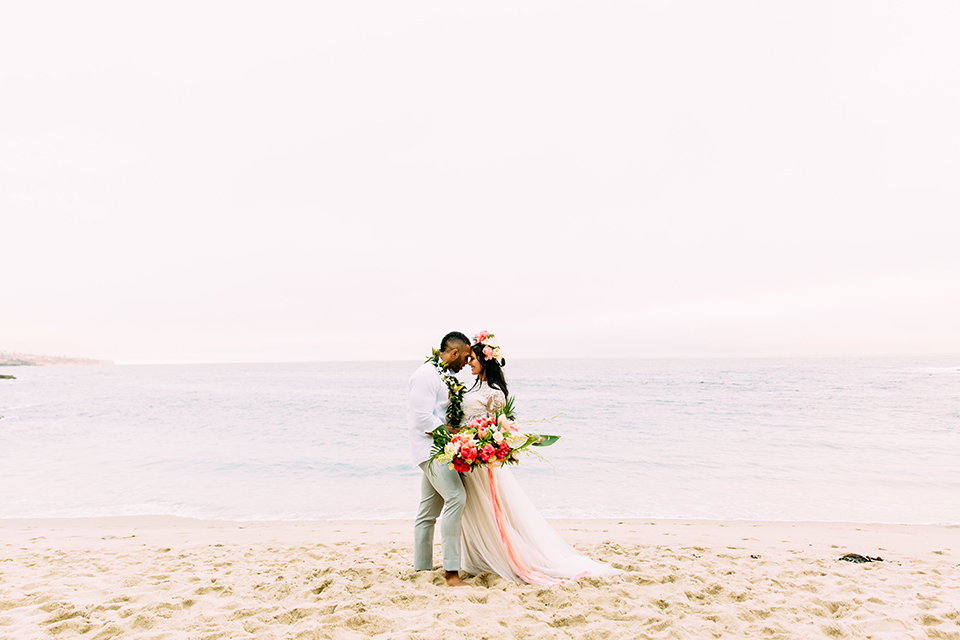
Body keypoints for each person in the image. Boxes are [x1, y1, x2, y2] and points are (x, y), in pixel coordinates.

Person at [456, 332, 619, 584]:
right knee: (473, 508)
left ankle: (500, 556)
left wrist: (483, 445)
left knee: (488, 508)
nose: (469, 363)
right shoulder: (475, 387)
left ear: (485, 360)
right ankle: (479, 558)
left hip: (480, 458)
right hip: (466, 453)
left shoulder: (495, 393)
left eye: (474, 358)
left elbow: (496, 427)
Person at [408, 331, 473, 587]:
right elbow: (421, 416)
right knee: (456, 498)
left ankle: (422, 569)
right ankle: (451, 574)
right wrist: (450, 432)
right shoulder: (426, 375)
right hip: (431, 449)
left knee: (428, 511)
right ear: (454, 353)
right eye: (466, 357)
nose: (467, 363)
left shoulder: (444, 374)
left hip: (440, 447)